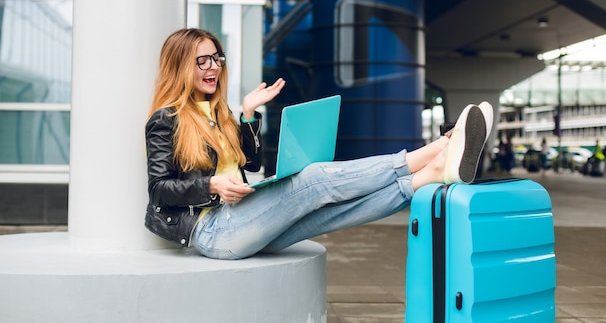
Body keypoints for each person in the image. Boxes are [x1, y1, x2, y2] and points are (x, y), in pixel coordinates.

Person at [144, 28, 494, 260]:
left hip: (243, 219)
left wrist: (248, 115)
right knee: (312, 179)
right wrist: (212, 185)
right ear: (179, 66)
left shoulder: (218, 113)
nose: (213, 67)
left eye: (216, 58)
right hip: (212, 230)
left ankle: (430, 174)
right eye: (201, 60)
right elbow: (159, 189)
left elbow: (249, 165)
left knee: (326, 212)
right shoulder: (166, 119)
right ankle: (435, 150)